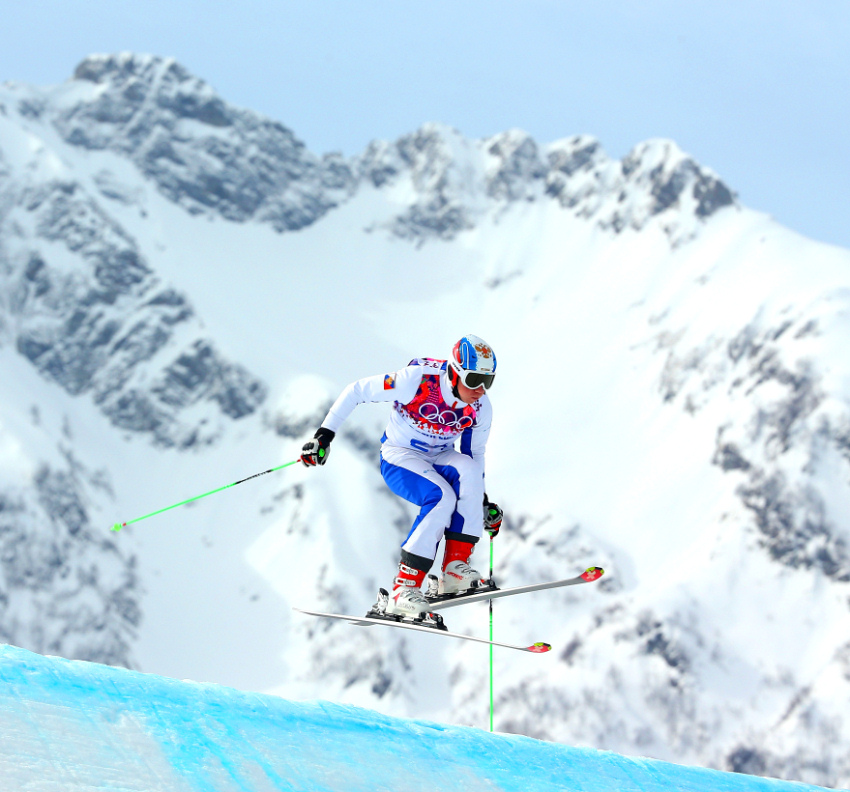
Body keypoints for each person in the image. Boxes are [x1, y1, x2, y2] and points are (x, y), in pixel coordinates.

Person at [300, 334, 503, 617]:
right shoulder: (417, 380)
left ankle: (455, 569)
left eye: (488, 381)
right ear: (454, 372)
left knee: (469, 471)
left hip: (440, 456)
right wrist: (324, 435)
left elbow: (474, 454)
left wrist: (480, 500)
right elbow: (356, 390)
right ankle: (403, 589)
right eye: (474, 380)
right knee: (442, 497)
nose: (480, 389)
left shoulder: (481, 407)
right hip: (400, 456)